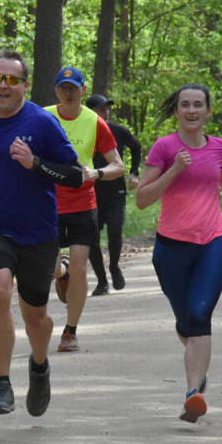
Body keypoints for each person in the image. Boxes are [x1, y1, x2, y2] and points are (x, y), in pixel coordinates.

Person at [0, 50, 84, 417]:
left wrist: (36, 163)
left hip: (37, 232)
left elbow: (74, 175)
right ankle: (1, 384)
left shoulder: (42, 123)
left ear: (25, 86)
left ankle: (40, 366)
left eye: (12, 80)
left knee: (35, 318)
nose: (3, 85)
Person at [135, 83, 222, 423]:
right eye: (185, 105)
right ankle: (199, 369)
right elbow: (142, 199)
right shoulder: (165, 148)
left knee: (198, 315)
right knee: (185, 322)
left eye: (198, 105)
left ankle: (193, 393)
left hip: (214, 242)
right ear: (177, 111)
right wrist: (175, 170)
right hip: (171, 247)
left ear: (209, 111)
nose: (191, 110)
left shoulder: (220, 147)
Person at [45, 68, 124, 352]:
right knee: (51, 270)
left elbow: (118, 165)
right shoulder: (43, 117)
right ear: (56, 91)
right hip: (47, 204)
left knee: (81, 267)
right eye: (63, 87)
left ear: (82, 89)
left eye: (74, 87)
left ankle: (70, 331)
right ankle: (61, 270)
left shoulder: (94, 121)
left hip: (82, 203)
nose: (68, 92)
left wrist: (97, 174)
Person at [85, 94, 142, 295]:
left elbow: (136, 148)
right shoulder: (83, 132)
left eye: (107, 108)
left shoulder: (118, 131)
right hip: (91, 193)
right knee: (92, 239)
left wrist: (134, 172)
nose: (105, 112)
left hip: (116, 192)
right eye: (100, 109)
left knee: (115, 232)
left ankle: (114, 266)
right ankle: (102, 281)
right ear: (89, 111)